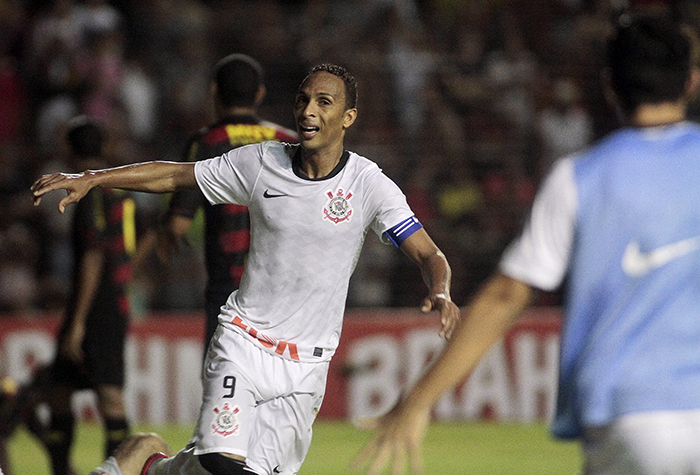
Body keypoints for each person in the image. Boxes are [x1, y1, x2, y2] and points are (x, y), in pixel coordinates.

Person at [32, 63, 460, 475]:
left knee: (220, 469)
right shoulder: (261, 162)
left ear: (348, 117)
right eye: (303, 98)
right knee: (221, 459)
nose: (309, 110)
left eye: (324, 102)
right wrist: (94, 177)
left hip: (307, 366)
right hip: (245, 340)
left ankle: (149, 465)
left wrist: (440, 289)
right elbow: (176, 177)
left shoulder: (369, 185)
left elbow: (429, 254)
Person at [355, 12, 700, 475]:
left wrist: (418, 400)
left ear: (609, 86)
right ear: (692, 82)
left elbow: (506, 295)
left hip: (628, 417)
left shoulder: (580, 178)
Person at [137, 53, 297, 350]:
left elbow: (179, 224)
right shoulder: (288, 141)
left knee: (224, 383)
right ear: (260, 94)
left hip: (231, 286)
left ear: (213, 91)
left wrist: (164, 233)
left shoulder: (208, 142)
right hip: (284, 287)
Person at [25, 116, 137, 475]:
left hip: (96, 308)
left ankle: (118, 470)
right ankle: (64, 471)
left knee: (109, 395)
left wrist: (76, 323)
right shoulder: (121, 188)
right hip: (113, 300)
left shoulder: (87, 191)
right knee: (59, 388)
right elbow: (142, 239)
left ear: (69, 151)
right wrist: (126, 275)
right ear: (104, 148)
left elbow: (92, 255)